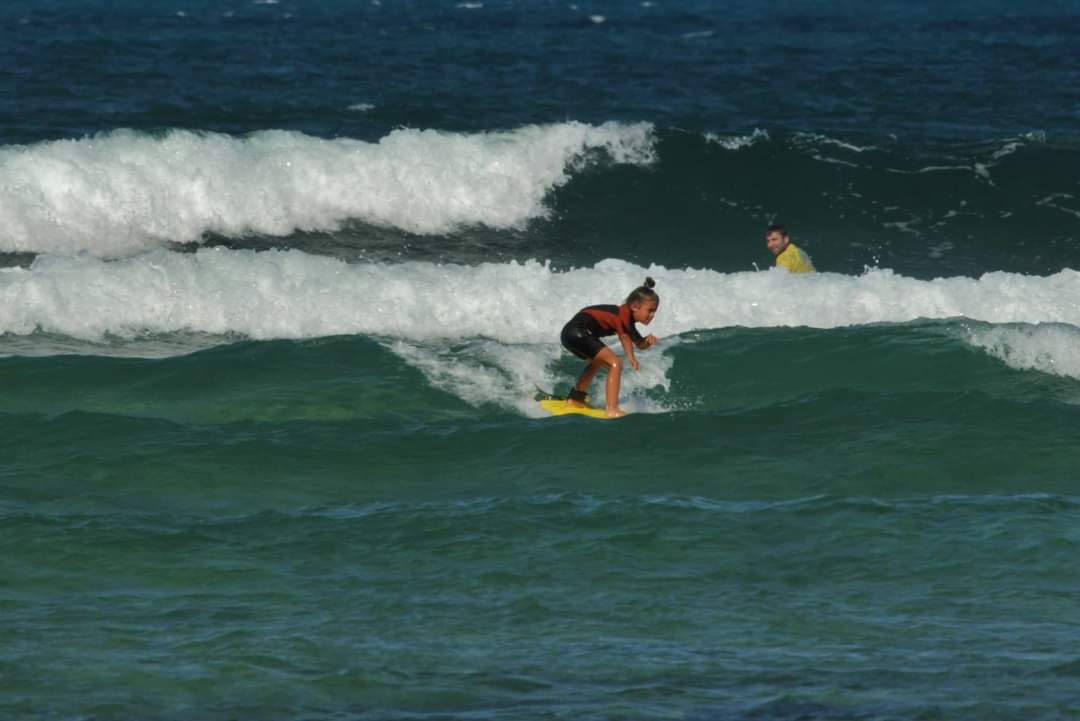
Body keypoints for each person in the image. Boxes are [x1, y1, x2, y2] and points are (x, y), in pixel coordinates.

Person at [559, 277, 660, 418]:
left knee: (597, 362)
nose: (652, 315)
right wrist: (631, 358)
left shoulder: (627, 321)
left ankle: (575, 398)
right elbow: (624, 337)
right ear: (635, 306)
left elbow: (639, 343)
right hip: (578, 332)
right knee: (615, 363)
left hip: (568, 334)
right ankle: (612, 409)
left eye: (654, 311)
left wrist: (647, 341)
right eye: (650, 310)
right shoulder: (622, 314)